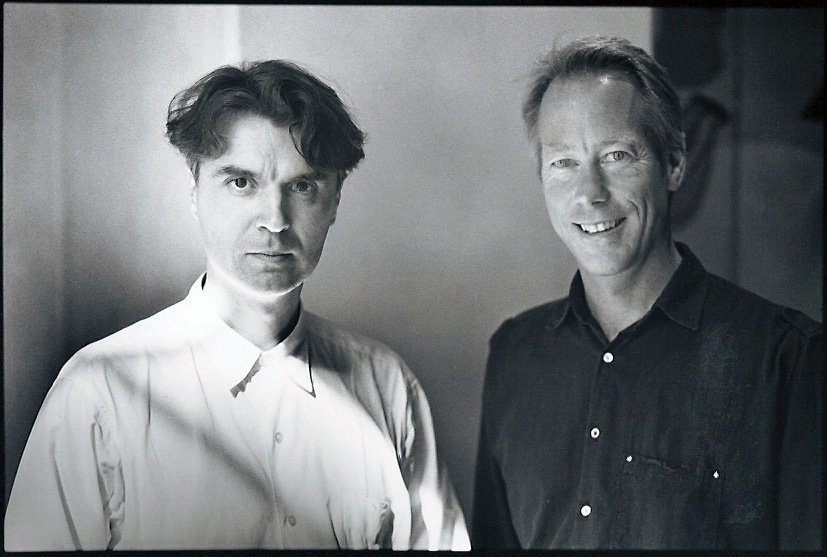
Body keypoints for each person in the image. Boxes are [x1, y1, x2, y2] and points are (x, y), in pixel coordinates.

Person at [5, 60, 469, 551]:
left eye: (303, 186)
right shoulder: (98, 391)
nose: (274, 219)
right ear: (194, 191)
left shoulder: (387, 385)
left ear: (335, 203)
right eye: (241, 183)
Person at [471, 37, 822, 550]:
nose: (590, 193)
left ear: (674, 161)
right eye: (563, 162)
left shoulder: (789, 360)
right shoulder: (513, 354)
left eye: (616, 155)